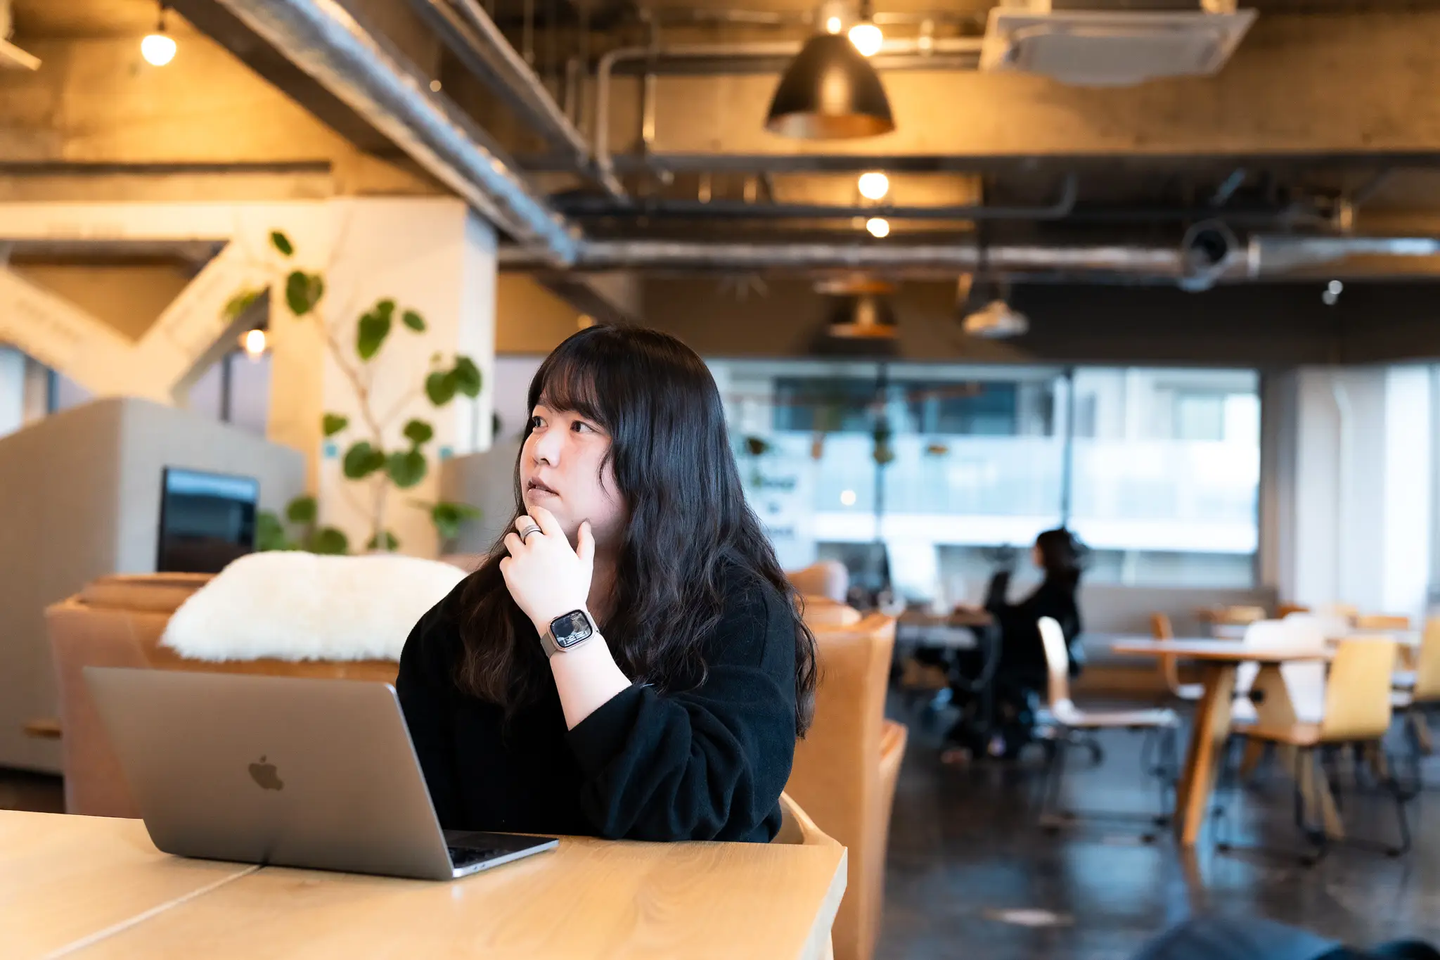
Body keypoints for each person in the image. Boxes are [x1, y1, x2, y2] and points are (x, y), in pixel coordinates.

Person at [396, 325, 818, 843]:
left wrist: (563, 623)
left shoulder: (741, 612)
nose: (540, 448)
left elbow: (690, 810)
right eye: (539, 420)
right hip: (509, 897)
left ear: (663, 454)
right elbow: (421, 820)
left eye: (580, 426)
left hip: (690, 893)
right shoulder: (469, 614)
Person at [942, 527, 1085, 762]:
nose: (1032, 553)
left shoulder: (1056, 589)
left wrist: (994, 610)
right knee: (977, 660)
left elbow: (1027, 621)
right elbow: (1024, 614)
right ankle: (975, 734)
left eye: (1036, 549)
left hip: (1036, 660)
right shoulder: (1057, 584)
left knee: (980, 665)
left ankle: (984, 737)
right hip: (1036, 656)